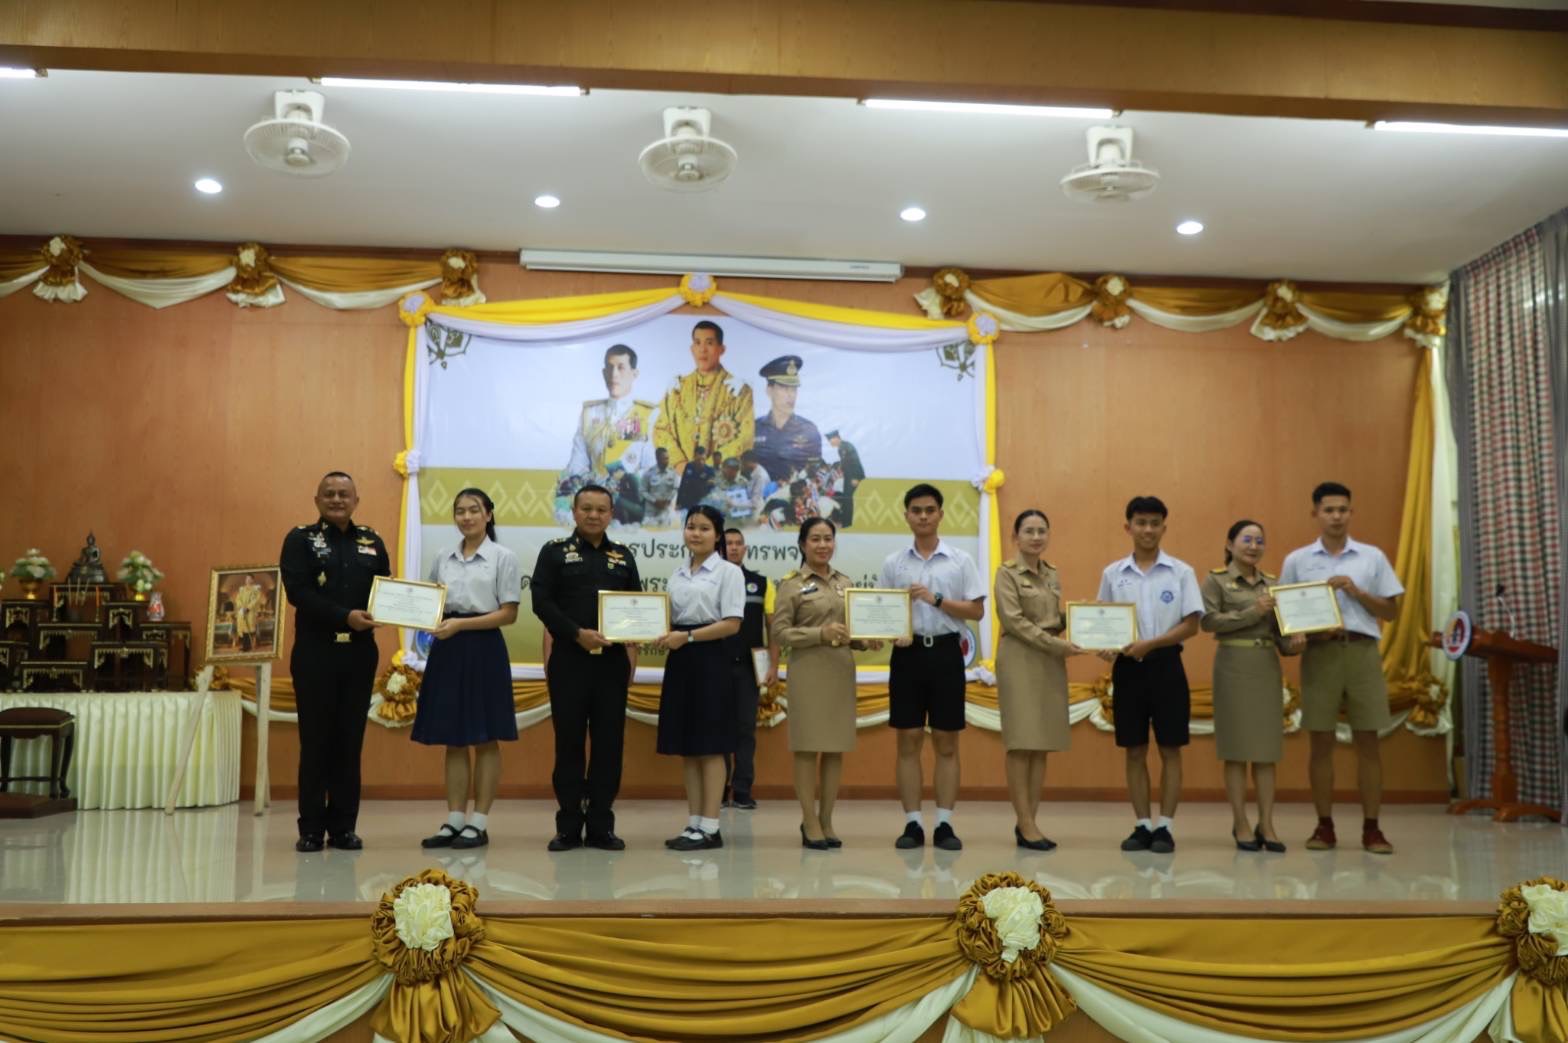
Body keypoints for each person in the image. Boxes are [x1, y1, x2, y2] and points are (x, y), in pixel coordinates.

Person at [1278, 481, 1403, 855]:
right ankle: (1324, 826)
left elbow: (1391, 612)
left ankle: (1372, 829)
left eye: (1343, 510)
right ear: (1315, 513)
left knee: (1369, 742)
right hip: (1320, 655)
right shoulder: (1298, 561)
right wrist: (1301, 634)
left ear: (1351, 513)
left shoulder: (1371, 557)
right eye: (1329, 510)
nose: (1336, 516)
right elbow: (1285, 614)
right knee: (1320, 743)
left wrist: (1356, 591)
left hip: (1363, 652)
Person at [278, 471, 390, 853]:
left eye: (344, 494)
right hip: (316, 653)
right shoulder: (300, 540)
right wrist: (345, 616)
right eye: (330, 494)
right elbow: (298, 593)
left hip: (359, 654)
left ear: (356, 500)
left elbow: (386, 590)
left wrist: (399, 608)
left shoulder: (372, 541)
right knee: (315, 742)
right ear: (317, 500)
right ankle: (311, 828)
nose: (337, 499)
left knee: (349, 742)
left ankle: (343, 827)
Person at [531, 484, 643, 851]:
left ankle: (600, 825)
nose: (594, 515)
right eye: (587, 508)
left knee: (609, 745)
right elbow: (541, 602)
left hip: (611, 665)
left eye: (601, 509)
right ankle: (567, 825)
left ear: (611, 514)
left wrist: (634, 639)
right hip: (569, 660)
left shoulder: (623, 556)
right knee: (569, 744)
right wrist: (576, 633)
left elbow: (637, 605)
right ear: (574, 511)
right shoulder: (554, 553)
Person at [879, 483, 986, 851]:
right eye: (916, 510)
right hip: (907, 657)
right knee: (907, 739)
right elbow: (882, 612)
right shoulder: (894, 563)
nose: (923, 516)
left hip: (946, 654)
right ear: (906, 515)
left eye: (929, 510)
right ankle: (912, 823)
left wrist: (935, 599)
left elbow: (976, 611)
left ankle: (944, 824)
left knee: (946, 742)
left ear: (940, 514)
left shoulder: (960, 560)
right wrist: (892, 633)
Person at [414, 489, 522, 851]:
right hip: (448, 648)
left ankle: (479, 821)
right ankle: (455, 819)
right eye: (459, 511)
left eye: (474, 510)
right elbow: (431, 603)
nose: (466, 517)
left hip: (484, 648)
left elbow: (509, 613)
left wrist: (461, 625)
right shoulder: (442, 556)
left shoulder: (503, 557)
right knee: (454, 737)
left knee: (485, 737)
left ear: (488, 514)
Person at [1097, 495, 1203, 855]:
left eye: (1155, 523)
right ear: (1128, 527)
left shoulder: (1181, 572)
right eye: (1141, 523)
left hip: (1168, 666)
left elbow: (1192, 624)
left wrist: (1151, 644)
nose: (1148, 529)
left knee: (1171, 748)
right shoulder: (1113, 574)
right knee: (1134, 750)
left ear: (1163, 527)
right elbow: (1103, 621)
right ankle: (1142, 825)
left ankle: (1166, 827)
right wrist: (1106, 645)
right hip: (1128, 669)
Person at [773, 517, 878, 848]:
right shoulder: (791, 585)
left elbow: (852, 630)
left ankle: (827, 819)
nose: (822, 545)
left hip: (840, 670)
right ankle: (809, 820)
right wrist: (820, 633)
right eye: (815, 539)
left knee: (835, 748)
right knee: (807, 748)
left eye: (828, 538)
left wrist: (867, 640)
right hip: (807, 671)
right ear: (802, 544)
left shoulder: (844, 582)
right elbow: (780, 632)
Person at [654, 505, 744, 851]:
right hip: (681, 659)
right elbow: (668, 619)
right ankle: (693, 823)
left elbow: (732, 624)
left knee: (711, 746)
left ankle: (711, 826)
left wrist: (688, 637)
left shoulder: (728, 572)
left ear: (717, 535)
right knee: (688, 747)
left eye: (705, 528)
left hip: (712, 659)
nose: (696, 533)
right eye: (691, 526)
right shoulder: (677, 574)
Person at [994, 509, 1082, 851]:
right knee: (1021, 742)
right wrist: (1059, 645)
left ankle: (1029, 820)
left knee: (1041, 743)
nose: (1035, 537)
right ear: (1015, 537)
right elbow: (1014, 622)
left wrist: (1081, 619)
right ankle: (1025, 822)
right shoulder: (1006, 574)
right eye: (1028, 531)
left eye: (1041, 530)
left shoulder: (1051, 573)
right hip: (1020, 658)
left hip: (1049, 660)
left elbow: (1051, 619)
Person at [1201, 519, 1290, 853]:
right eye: (1246, 540)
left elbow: (1283, 635)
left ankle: (1267, 823)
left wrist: (1298, 641)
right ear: (1230, 544)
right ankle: (1240, 822)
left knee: (1266, 753)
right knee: (1236, 752)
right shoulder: (1216, 580)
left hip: (1266, 666)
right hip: (1233, 667)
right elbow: (1209, 621)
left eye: (1259, 541)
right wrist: (1253, 611)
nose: (1253, 546)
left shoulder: (1274, 584)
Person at [721, 527, 778, 810]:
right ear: (720, 548)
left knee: (746, 729)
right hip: (716, 666)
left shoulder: (762, 584)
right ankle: (719, 789)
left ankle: (742, 790)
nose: (733, 547)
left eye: (738, 543)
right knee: (717, 728)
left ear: (745, 549)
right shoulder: (710, 581)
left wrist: (774, 665)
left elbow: (773, 629)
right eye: (728, 543)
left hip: (748, 669)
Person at [652, 321, 754, 472]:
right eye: (698, 343)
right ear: (692, 349)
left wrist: (708, 469)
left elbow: (745, 438)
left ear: (722, 349)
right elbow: (661, 429)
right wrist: (680, 464)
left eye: (709, 343)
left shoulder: (739, 391)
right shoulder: (677, 388)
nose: (702, 349)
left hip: (720, 476)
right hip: (680, 476)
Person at [753, 355, 822, 483]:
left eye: (794, 389)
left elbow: (815, 473)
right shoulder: (754, 428)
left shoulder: (809, 430)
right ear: (769, 390)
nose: (791, 395)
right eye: (784, 388)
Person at [826, 431, 864, 528]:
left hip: (853, 475)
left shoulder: (844, 447)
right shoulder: (842, 447)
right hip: (849, 475)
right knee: (847, 498)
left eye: (831, 441)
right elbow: (845, 463)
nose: (830, 443)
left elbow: (854, 462)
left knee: (847, 498)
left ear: (836, 438)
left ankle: (846, 523)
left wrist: (856, 477)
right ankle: (846, 522)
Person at [641, 446, 680, 528]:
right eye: (664, 459)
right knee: (648, 533)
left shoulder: (672, 473)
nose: (667, 461)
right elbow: (643, 491)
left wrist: (668, 500)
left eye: (667, 458)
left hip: (665, 511)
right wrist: (654, 501)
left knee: (665, 533)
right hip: (651, 512)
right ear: (657, 459)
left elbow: (675, 488)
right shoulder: (649, 473)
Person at [676, 445, 715, 511]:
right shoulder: (689, 466)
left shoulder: (710, 471)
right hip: (685, 504)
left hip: (701, 506)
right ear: (694, 457)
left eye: (703, 459)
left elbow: (711, 492)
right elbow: (683, 485)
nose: (701, 462)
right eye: (698, 459)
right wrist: (678, 503)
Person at [233, 574, 264, 652]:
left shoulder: (255, 590)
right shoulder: (242, 590)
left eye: (250, 579)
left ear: (252, 580)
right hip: (242, 611)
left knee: (249, 628)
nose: (248, 580)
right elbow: (238, 599)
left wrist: (248, 607)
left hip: (250, 612)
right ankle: (245, 646)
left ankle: (248, 646)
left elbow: (256, 600)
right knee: (243, 628)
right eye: (247, 579)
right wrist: (241, 606)